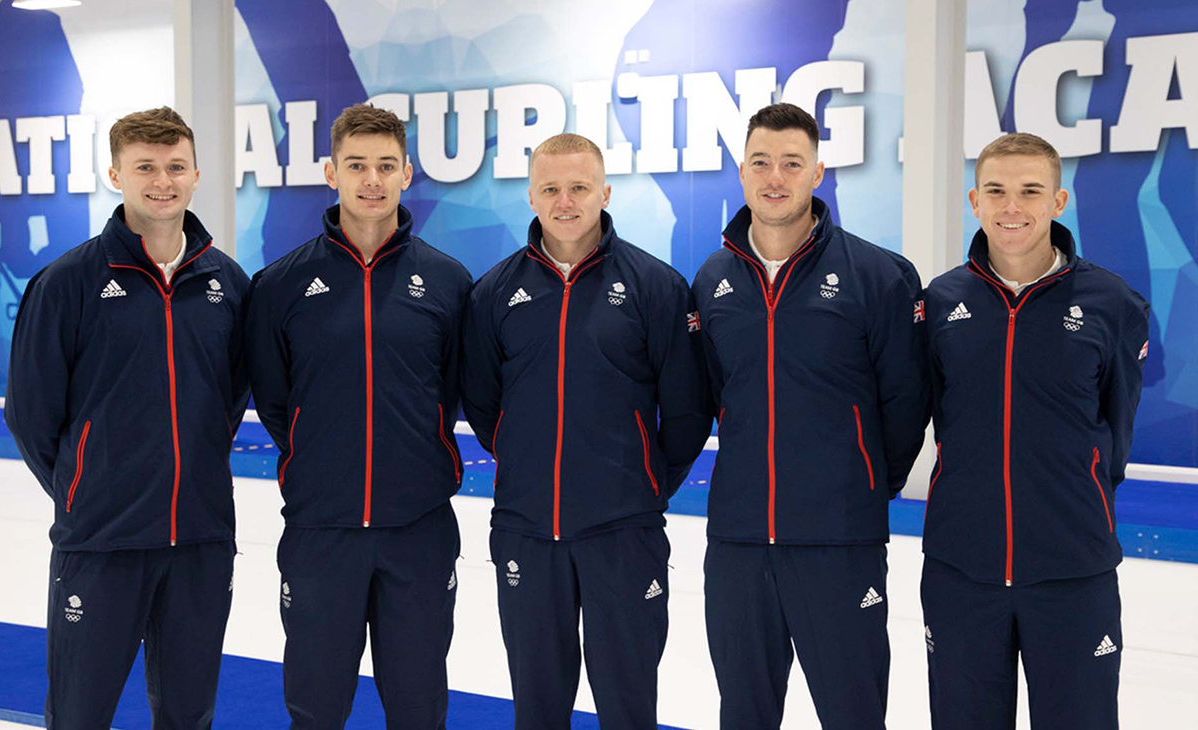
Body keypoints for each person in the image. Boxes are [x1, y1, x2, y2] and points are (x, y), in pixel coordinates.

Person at [4, 107, 249, 729]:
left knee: (189, 715)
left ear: (196, 174)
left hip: (199, 539)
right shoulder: (67, 283)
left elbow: (234, 395)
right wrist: (86, 490)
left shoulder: (229, 283)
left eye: (174, 167)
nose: (161, 181)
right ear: (116, 173)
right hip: (102, 543)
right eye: (145, 167)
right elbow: (30, 413)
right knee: (80, 715)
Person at [691, 103, 929, 729]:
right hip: (739, 543)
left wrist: (865, 484)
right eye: (762, 163)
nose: (776, 177)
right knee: (744, 714)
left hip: (839, 541)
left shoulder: (878, 276)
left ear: (817, 172)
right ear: (742, 173)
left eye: (792, 163)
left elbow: (905, 402)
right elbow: (718, 395)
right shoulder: (712, 280)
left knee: (852, 714)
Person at [461, 133, 710, 729]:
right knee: (538, 709)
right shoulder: (494, 292)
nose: (564, 201)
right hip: (526, 531)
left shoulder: (657, 286)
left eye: (578, 187)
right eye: (550, 188)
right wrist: (529, 466)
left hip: (624, 535)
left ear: (604, 190)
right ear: (530, 196)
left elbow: (685, 412)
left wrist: (639, 485)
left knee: (628, 707)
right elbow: (484, 404)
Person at [243, 103, 471, 728]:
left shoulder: (448, 283)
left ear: (407, 174)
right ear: (331, 172)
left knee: (419, 706)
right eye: (357, 165)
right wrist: (322, 462)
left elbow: (450, 390)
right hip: (322, 532)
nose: (372, 179)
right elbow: (275, 400)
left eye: (385, 166)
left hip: (418, 530)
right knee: (316, 708)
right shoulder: (280, 285)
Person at [921, 133, 1149, 729]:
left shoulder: (1111, 303)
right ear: (974, 201)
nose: (1012, 207)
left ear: (1059, 200)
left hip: (1073, 570)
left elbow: (1116, 430)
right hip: (961, 568)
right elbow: (937, 414)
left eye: (1030, 191)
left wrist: (1080, 497)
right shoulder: (941, 302)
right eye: (996, 191)